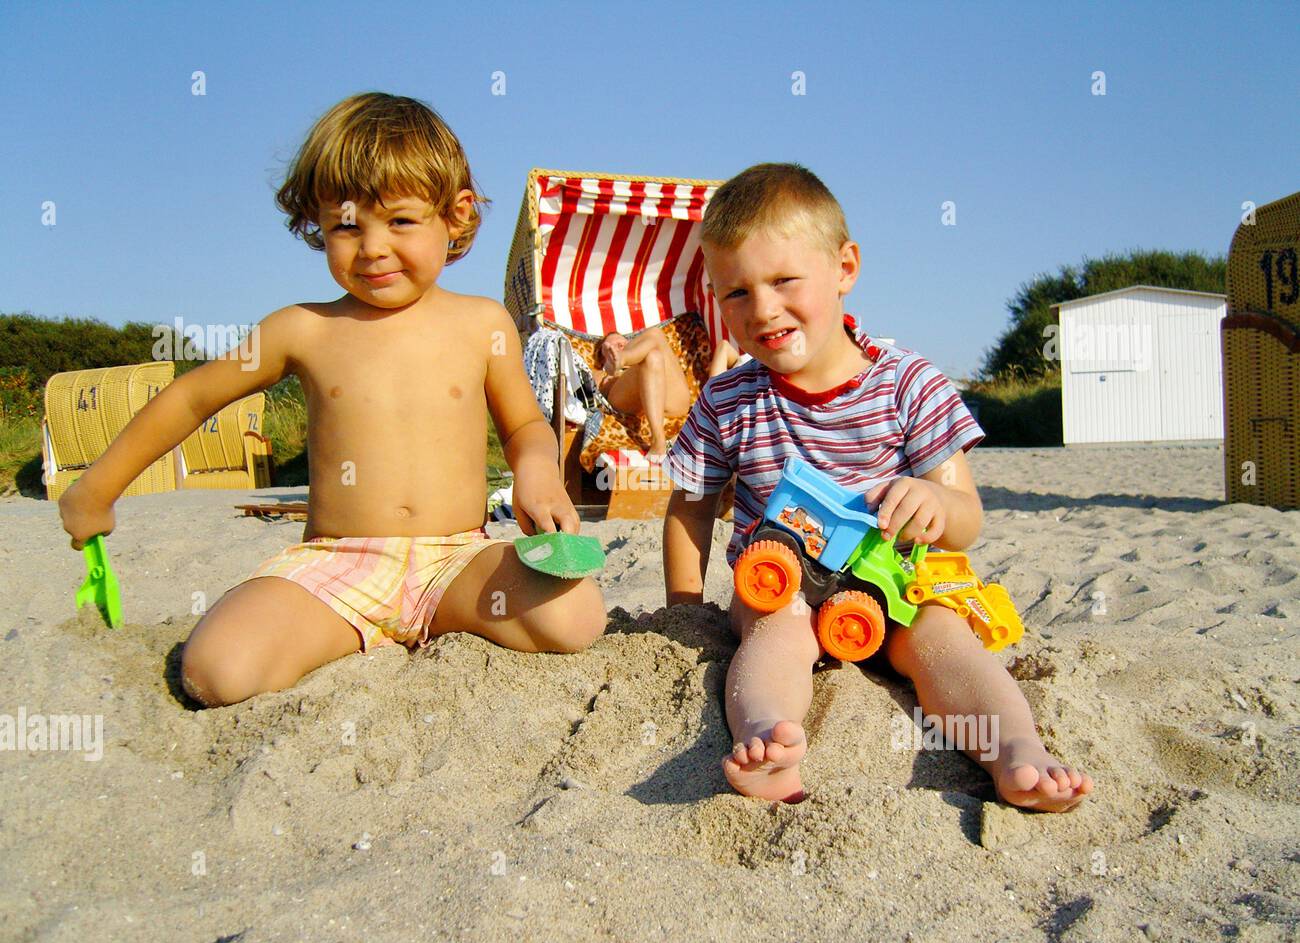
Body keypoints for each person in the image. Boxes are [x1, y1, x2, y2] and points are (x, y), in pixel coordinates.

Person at [58, 92, 606, 707]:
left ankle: (436, 619)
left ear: (454, 216)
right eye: (346, 225)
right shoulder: (301, 329)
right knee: (218, 672)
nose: (371, 247)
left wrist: (536, 470)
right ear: (316, 224)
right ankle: (350, 628)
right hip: (338, 566)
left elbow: (524, 424)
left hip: (458, 558)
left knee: (575, 618)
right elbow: (191, 399)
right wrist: (97, 488)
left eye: (399, 221)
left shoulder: (483, 323)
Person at [662, 163, 1092, 811]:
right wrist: (687, 606)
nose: (764, 308)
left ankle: (1015, 750)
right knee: (774, 632)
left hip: (899, 578)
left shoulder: (908, 383)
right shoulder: (729, 399)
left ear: (845, 266)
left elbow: (967, 517)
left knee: (945, 643)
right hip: (787, 582)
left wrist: (936, 503)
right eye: (736, 293)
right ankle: (767, 741)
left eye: (784, 281)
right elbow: (689, 507)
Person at [596, 324, 741, 461]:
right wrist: (606, 378)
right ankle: (658, 439)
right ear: (602, 360)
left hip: (672, 401)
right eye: (611, 347)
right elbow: (588, 389)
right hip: (625, 401)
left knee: (654, 345)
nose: (618, 345)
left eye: (621, 343)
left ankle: (623, 359)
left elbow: (725, 348)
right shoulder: (601, 374)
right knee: (653, 345)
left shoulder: (650, 352)